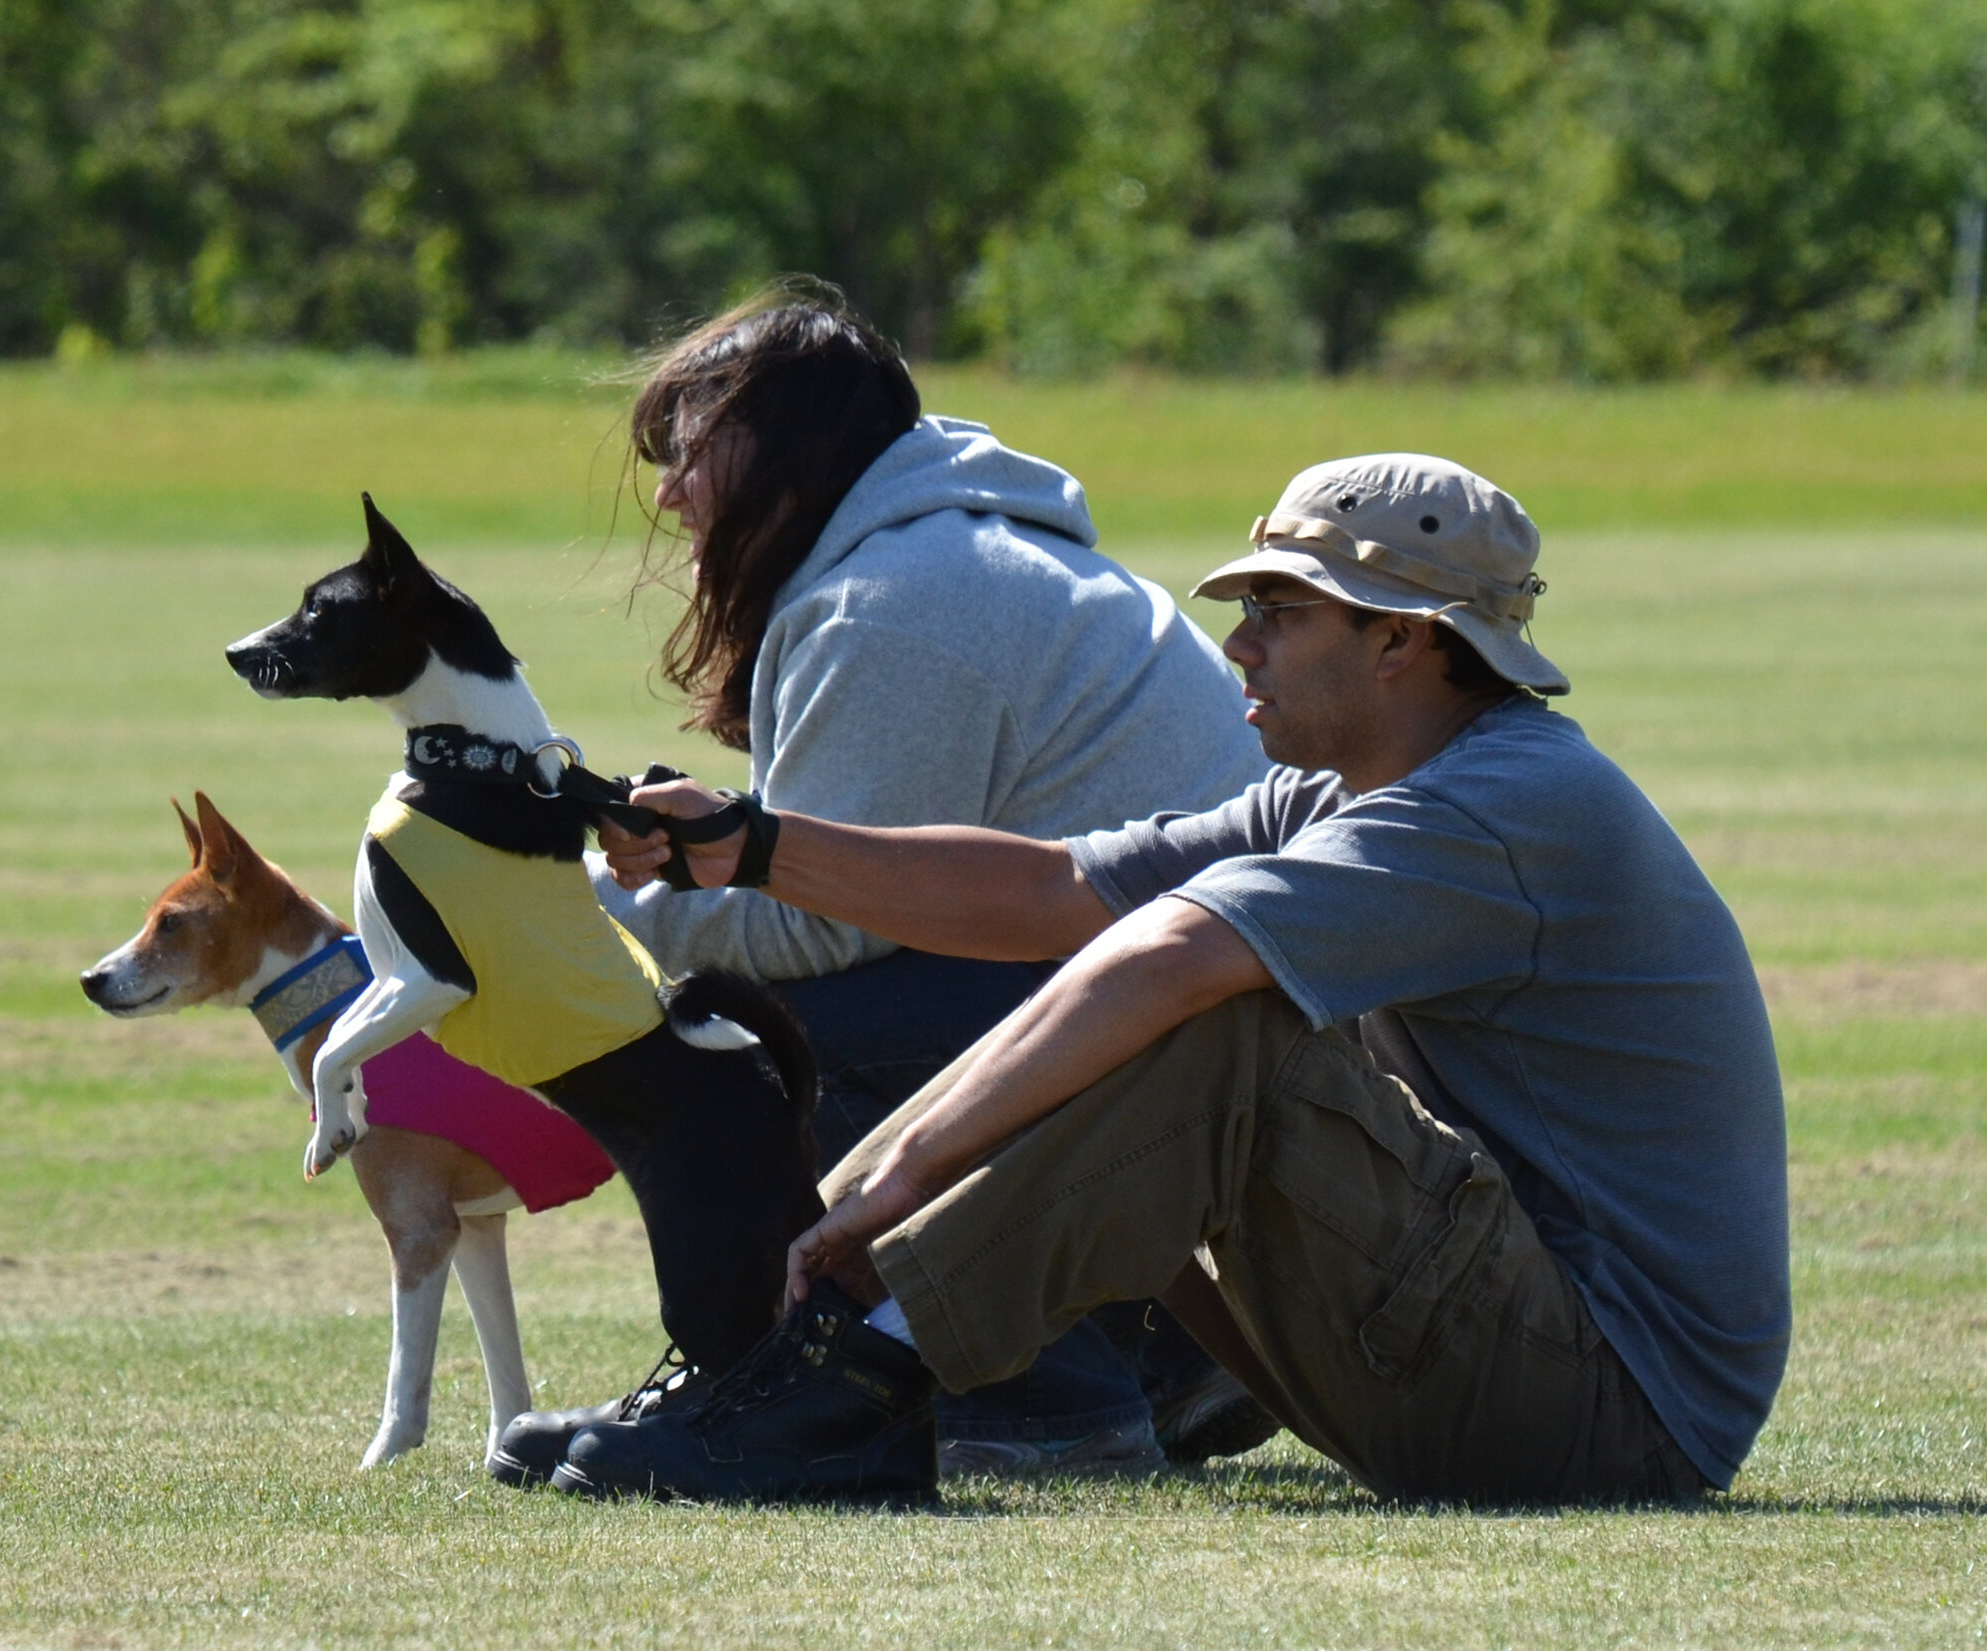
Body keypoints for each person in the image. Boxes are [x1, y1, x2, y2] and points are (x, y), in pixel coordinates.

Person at [560, 452, 1791, 1505]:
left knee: (1212, 1007)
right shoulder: (1344, 789)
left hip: (1609, 1415)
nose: (1236, 641)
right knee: (1161, 977)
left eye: (1280, 610)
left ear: (1403, 643)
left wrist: (887, 1178)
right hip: (1507, 1357)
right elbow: (1050, 891)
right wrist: (756, 845)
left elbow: (1167, 953)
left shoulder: (1507, 802)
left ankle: (841, 1377)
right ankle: (790, 1365)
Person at [497, 288, 1274, 1478]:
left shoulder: (898, 603)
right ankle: (1165, 1351)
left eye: (689, 449)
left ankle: (1038, 1397)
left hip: (1213, 1046)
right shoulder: (939, 552)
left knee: (755, 1027)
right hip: (1220, 1029)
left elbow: (821, 931)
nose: (666, 492)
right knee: (862, 994)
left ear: (783, 448)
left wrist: (570, 919)